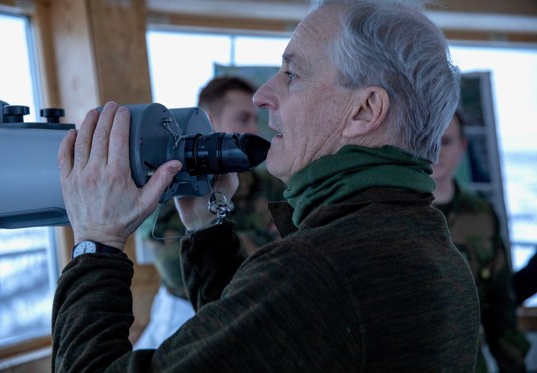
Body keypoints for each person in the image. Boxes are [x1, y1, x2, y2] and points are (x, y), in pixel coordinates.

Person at [52, 0, 481, 371]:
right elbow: (260, 346)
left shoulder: (321, 270)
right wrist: (206, 227)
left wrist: (98, 242)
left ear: (365, 111)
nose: (262, 96)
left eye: (292, 74)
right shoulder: (428, 247)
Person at [134, 76, 285, 348]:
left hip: (252, 313)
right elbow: (174, 269)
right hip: (180, 317)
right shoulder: (165, 184)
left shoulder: (270, 186)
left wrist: (211, 234)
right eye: (243, 119)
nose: (254, 129)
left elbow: (288, 260)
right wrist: (261, 239)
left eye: (255, 119)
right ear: (209, 124)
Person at [431, 110, 530, 372]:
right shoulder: (391, 213)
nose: (436, 151)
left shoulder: (482, 216)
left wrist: (513, 365)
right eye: (429, 140)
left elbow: (500, 303)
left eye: (446, 141)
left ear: (463, 146)